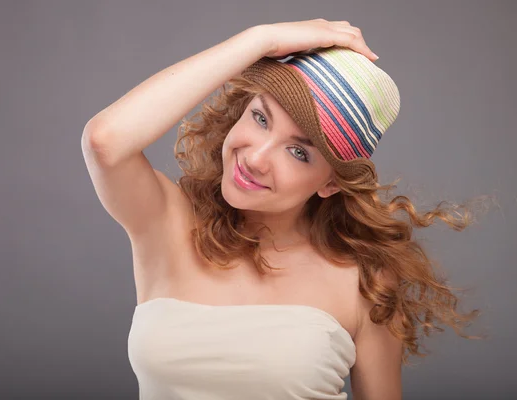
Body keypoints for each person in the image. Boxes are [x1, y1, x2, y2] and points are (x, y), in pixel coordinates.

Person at [81, 18, 485, 400]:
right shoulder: (168, 223)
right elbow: (105, 142)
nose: (256, 158)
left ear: (330, 183)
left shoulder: (364, 282)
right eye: (260, 117)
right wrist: (261, 39)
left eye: (298, 152)